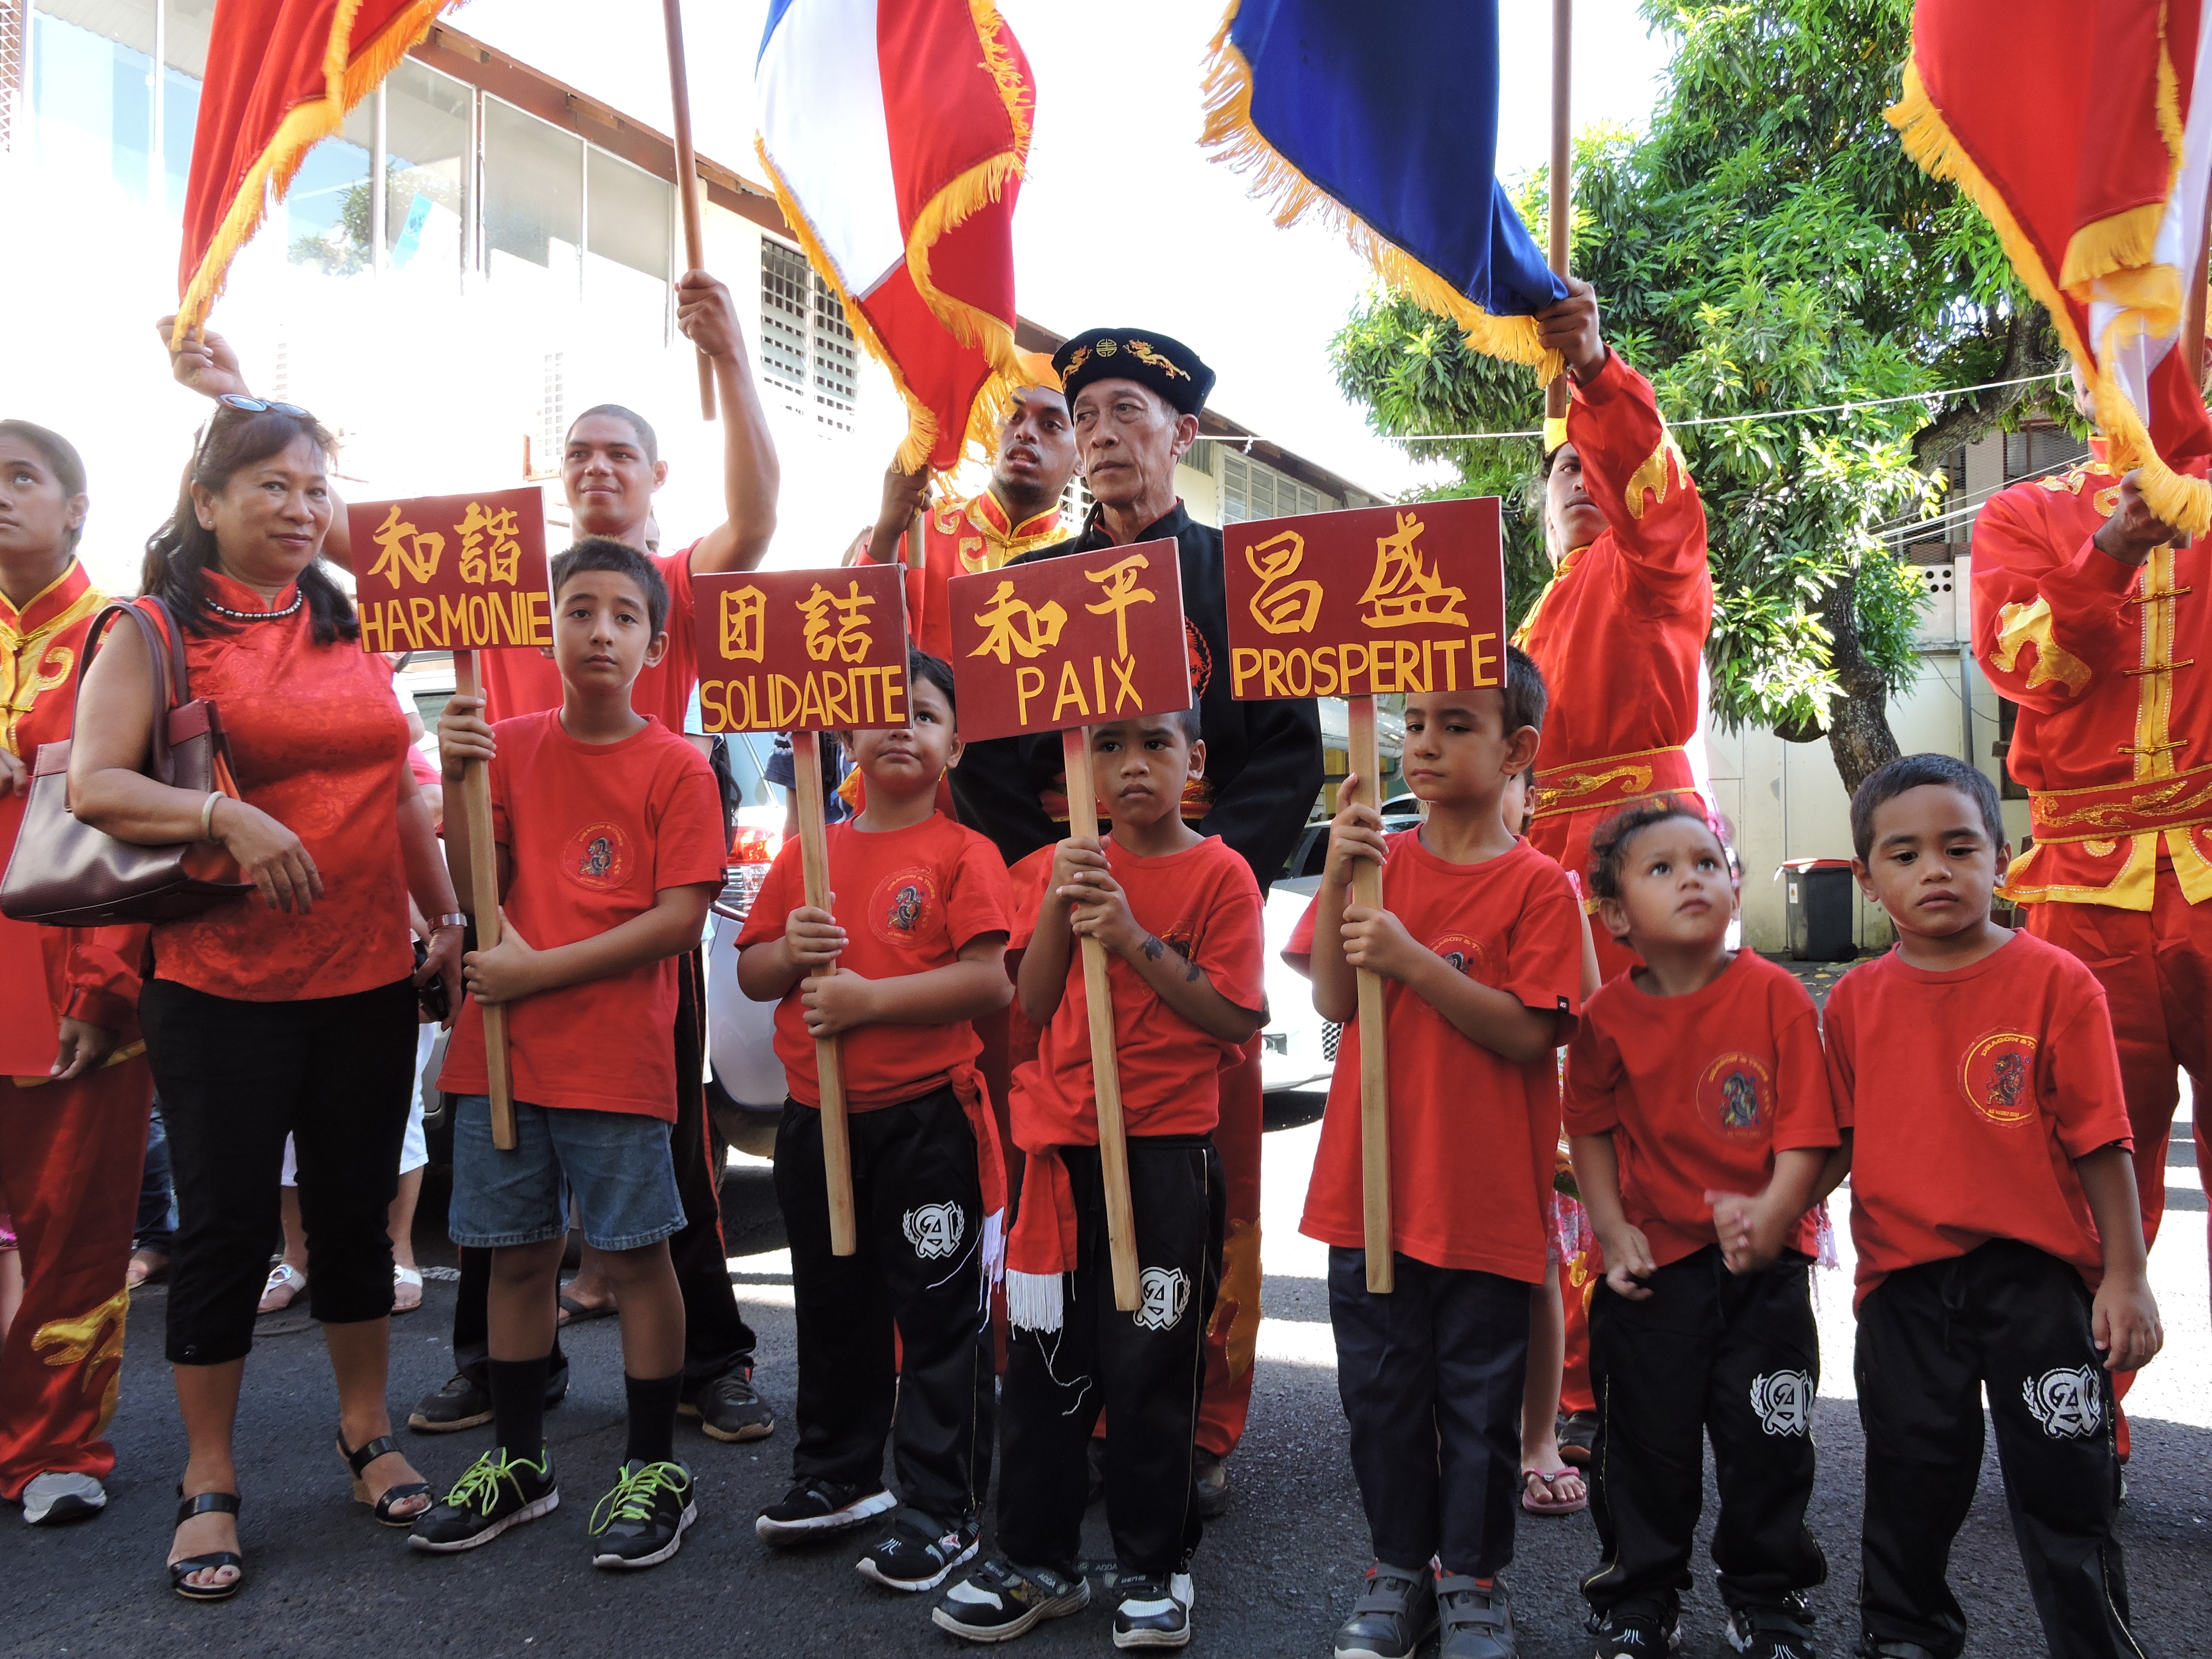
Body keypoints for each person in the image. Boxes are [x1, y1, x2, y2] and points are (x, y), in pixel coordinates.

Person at [161, 275, 781, 1443]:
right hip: (502, 925)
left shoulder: (672, 588)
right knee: (497, 1163)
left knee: (667, 1161)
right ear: (560, 477)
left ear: (656, 485)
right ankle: (505, 1377)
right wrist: (234, 388)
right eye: (583, 454)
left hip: (631, 934)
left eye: (624, 456)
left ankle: (709, 1361)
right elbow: (322, 511)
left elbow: (758, 510)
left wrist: (734, 356)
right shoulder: (496, 582)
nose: (600, 469)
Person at [69, 399, 462, 1597]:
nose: (299, 508)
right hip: (218, 986)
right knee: (229, 1233)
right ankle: (208, 1475)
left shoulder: (353, 621)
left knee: (352, 1219)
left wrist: (442, 913)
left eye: (314, 487)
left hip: (363, 980)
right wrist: (221, 814)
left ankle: (364, 1428)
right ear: (208, 501)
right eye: (270, 487)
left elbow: (399, 789)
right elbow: (95, 785)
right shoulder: (150, 627)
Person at [951, 328, 1322, 1515]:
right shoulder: (1027, 595)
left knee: (1201, 1173)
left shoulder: (1241, 578)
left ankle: (1195, 1420)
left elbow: (1284, 761)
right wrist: (1050, 891)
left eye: (1127, 412)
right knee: (1058, 1161)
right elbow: (995, 776)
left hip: (1192, 915)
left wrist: (1192, 882)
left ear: (1184, 434)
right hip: (1061, 919)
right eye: (1085, 417)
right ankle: (1068, 1398)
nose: (1103, 435)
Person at [1800, 753, 2160, 1659]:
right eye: (1904, 853)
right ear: (1867, 876)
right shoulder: (1852, 1002)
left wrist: (2124, 1278)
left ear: (2001, 857)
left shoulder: (2056, 983)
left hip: (2038, 1287)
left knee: (2065, 1488)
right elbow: (1835, 1140)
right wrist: (1768, 1213)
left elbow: (2100, 1141)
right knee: (1909, 1484)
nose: (1934, 870)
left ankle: (2093, 1643)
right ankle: (1903, 1637)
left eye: (1959, 848)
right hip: (1904, 1291)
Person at [410, 539, 726, 1569]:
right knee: (515, 1263)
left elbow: (681, 918)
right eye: (579, 609)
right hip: (502, 1053)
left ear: (653, 640)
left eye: (623, 615)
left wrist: (540, 972)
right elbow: (476, 880)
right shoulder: (501, 742)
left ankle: (652, 1468)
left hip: (616, 1055)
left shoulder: (679, 763)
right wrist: (459, 777)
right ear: (546, 627)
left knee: (635, 1261)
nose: (599, 630)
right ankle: (519, 1460)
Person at [934, 709, 1265, 1650]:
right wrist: (1058, 911)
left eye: (1155, 745)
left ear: (1194, 761)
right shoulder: (1055, 867)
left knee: (1153, 1361)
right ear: (1078, 764)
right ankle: (1037, 1560)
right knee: (1043, 1364)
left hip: (1166, 1161)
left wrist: (1130, 937)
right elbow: (1030, 1005)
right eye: (1108, 748)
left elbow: (1236, 1016)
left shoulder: (1221, 874)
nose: (1131, 767)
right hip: (1063, 1160)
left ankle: (1156, 1568)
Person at [1290, 649, 1584, 1659]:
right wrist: (1338, 873)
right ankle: (1396, 1574)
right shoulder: (1378, 861)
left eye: (1456, 724)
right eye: (1413, 722)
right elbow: (1333, 1000)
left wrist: (1413, 959)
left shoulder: (1542, 886)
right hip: (1364, 1192)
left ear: (1518, 751)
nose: (1422, 742)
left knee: (1479, 1409)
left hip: (1485, 1202)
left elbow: (1530, 1033)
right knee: (1380, 1403)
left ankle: (1473, 1581)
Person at [737, 650, 1014, 1592]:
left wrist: (865, 1002)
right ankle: (838, 1476)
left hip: (926, 1121)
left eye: (926, 714)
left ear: (956, 744)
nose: (903, 726)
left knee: (940, 1318)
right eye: (886, 710)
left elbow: (987, 982)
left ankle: (943, 1509)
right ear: (847, 733)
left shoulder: (963, 855)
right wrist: (790, 952)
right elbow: (752, 972)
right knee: (832, 1302)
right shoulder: (811, 848)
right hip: (817, 1123)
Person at [1970, 377, 2209, 1451]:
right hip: (2084, 889)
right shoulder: (2026, 514)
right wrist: (2112, 546)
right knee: (2077, 1164)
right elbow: (2030, 669)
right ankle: (2076, 1423)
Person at [1564, 800, 1834, 1659]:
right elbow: (1591, 1127)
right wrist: (1611, 1228)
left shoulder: (1776, 995)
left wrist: (1773, 1212)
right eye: (1661, 868)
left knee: (1769, 1441)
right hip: (1654, 1273)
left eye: (1707, 862)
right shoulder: (1605, 1018)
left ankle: (1768, 1597)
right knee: (1644, 1449)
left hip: (1762, 1270)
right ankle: (1639, 1598)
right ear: (1614, 917)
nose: (1691, 877)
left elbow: (1807, 1133)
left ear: (1733, 886)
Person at [0, 420, 158, 1528]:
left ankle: (58, 1443)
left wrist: (106, 986)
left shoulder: (123, 639)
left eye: (20, 477)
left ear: (75, 511)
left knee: (74, 1230)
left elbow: (138, 837)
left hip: (68, 986)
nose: (0, 496)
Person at [1515, 277, 1713, 985]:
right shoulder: (1532, 616)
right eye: (1564, 468)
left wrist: (1594, 368)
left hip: (1638, 839)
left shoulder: (1649, 562)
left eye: (1591, 463)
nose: (1578, 478)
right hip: (1539, 856)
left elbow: (1648, 489)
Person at [858, 374, 1076, 663]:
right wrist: (886, 532)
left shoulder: (1083, 564)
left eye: (1051, 425)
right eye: (1013, 416)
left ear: (1083, 458)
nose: (1025, 432)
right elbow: (860, 645)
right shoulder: (919, 524)